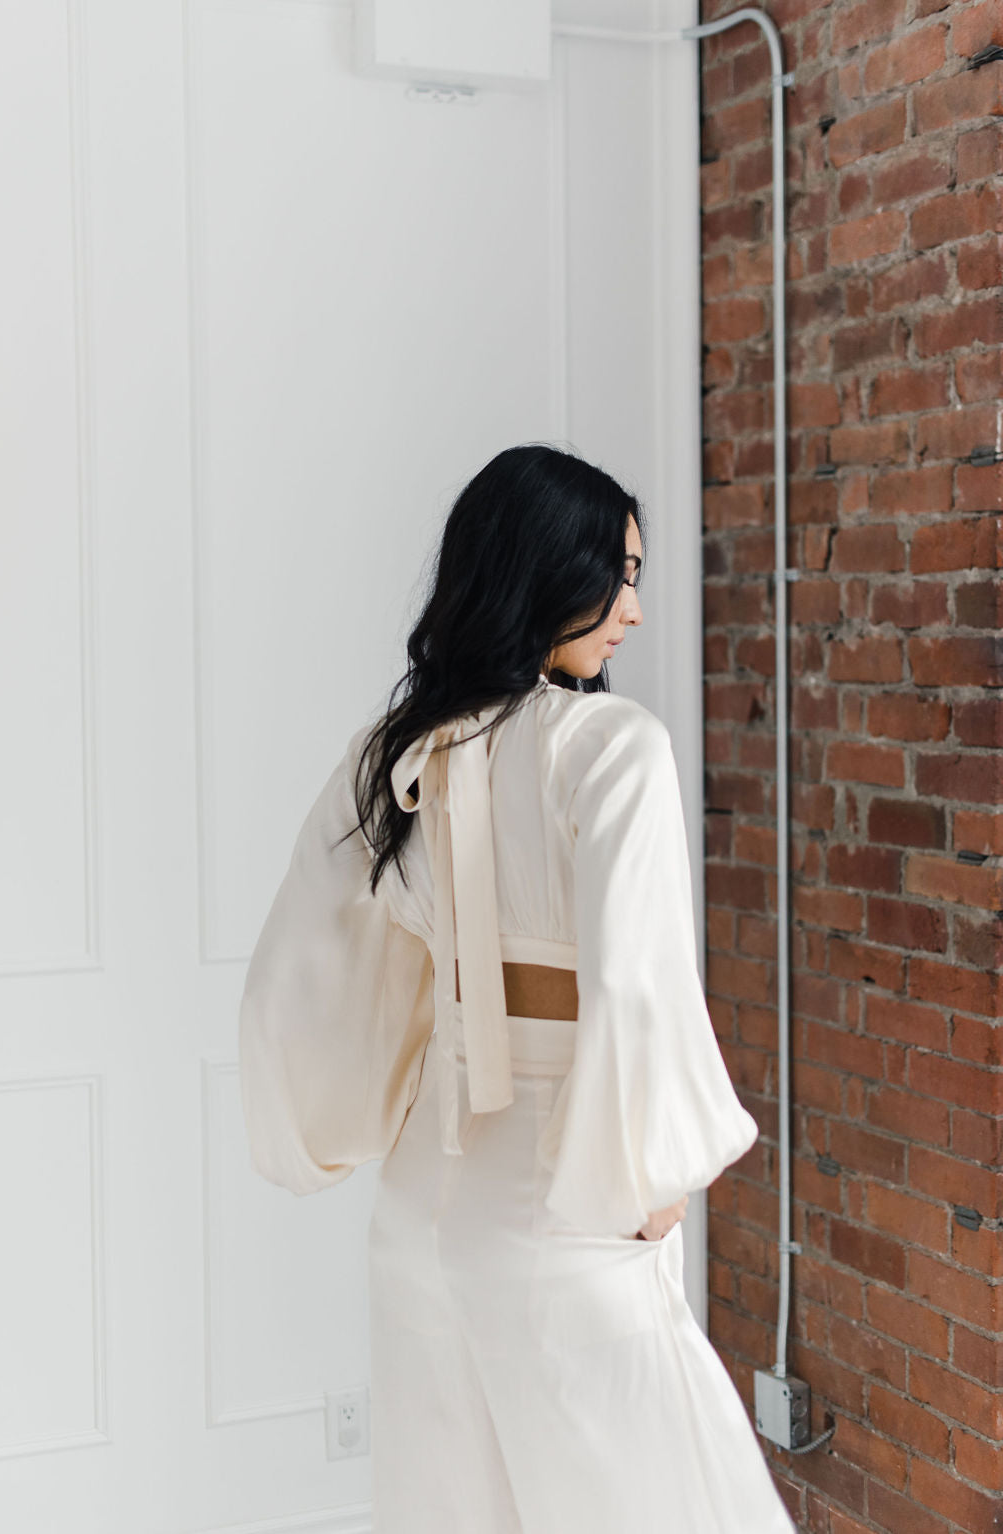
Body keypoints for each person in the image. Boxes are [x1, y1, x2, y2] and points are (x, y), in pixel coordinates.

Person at [238, 443, 797, 1532]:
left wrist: (333, 1116)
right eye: (617, 577)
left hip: (419, 1209)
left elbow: (298, 971)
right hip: (569, 1195)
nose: (633, 610)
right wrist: (654, 1171)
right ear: (549, 571)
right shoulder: (615, 747)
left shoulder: (391, 754)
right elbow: (636, 979)